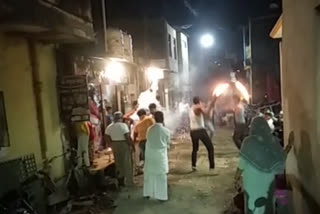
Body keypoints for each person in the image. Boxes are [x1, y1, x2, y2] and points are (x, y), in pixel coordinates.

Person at [234, 117, 286, 214]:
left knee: (252, 206)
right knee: (269, 206)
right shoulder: (273, 141)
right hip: (270, 183)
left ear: (252, 128)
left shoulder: (248, 142)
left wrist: (236, 178)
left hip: (252, 184)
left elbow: (241, 165)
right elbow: (281, 160)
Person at [143, 111, 171, 201]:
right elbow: (168, 143)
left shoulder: (150, 129)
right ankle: (161, 196)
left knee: (149, 174)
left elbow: (148, 139)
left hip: (150, 155)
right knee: (161, 176)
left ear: (154, 118)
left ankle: (147, 193)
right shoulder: (166, 131)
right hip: (160, 156)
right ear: (163, 118)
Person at [105, 112, 134, 186]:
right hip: (123, 144)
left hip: (114, 144)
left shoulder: (109, 127)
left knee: (118, 163)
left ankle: (120, 180)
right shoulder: (123, 125)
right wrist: (131, 145)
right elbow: (127, 136)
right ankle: (129, 181)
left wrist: (111, 145)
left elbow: (106, 137)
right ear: (121, 118)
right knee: (127, 162)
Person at [189, 96, 215, 171]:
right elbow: (207, 114)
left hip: (193, 131)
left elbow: (207, 114)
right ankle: (212, 167)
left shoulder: (191, 108)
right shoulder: (198, 108)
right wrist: (211, 103)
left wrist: (211, 105)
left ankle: (193, 165)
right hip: (200, 131)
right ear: (199, 101)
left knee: (195, 149)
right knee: (210, 148)